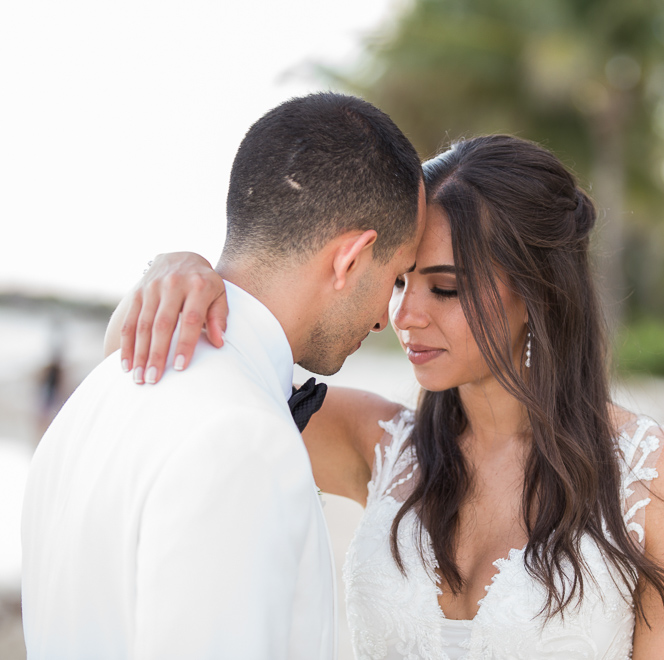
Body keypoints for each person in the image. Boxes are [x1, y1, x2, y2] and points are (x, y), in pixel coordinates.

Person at [113, 135, 664, 659]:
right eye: (400, 280)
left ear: (540, 293)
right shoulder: (370, 440)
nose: (404, 315)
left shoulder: (659, 476)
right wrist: (171, 271)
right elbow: (151, 381)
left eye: (446, 289)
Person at [21, 92, 425, 659]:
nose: (386, 316)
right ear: (350, 258)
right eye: (397, 277)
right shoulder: (245, 439)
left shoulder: (100, 391)